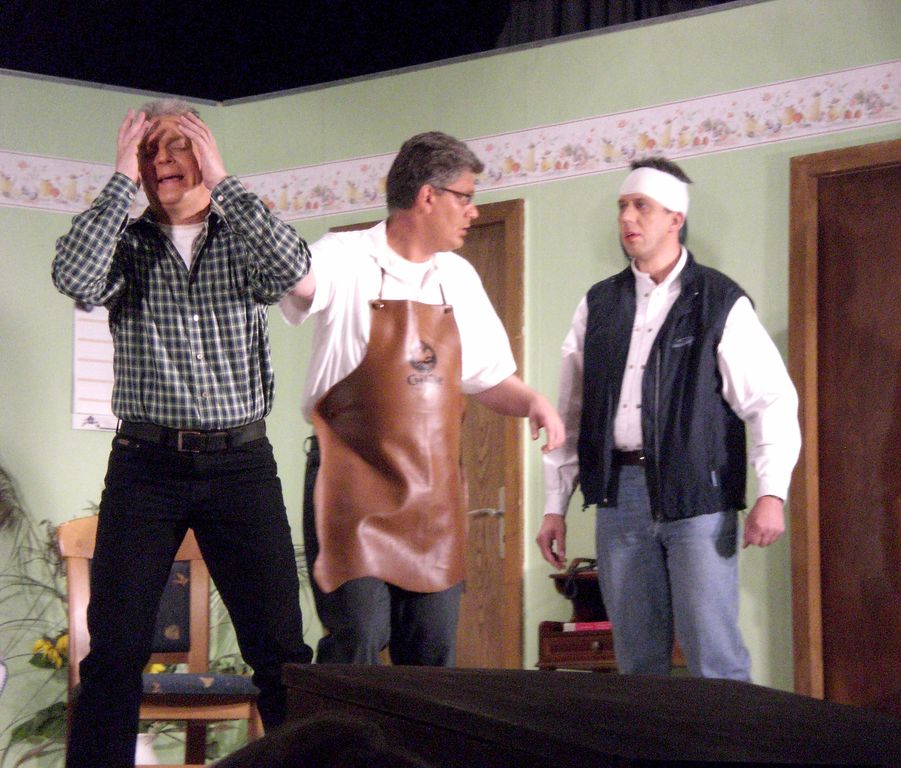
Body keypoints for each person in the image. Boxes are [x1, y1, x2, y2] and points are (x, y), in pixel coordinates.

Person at [52, 100, 313, 768]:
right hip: (145, 467)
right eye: (147, 151)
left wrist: (224, 180)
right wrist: (120, 177)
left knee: (282, 655)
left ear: (204, 152)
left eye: (176, 146)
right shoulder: (126, 243)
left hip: (240, 465)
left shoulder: (242, 235)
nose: (160, 161)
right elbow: (73, 276)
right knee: (113, 655)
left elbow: (296, 276)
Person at [281, 131, 564, 667]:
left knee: (432, 650)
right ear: (428, 196)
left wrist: (533, 402)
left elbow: (488, 376)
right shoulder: (344, 255)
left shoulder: (459, 277)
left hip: (431, 496)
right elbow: (298, 282)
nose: (473, 212)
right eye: (465, 197)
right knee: (359, 635)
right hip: (350, 485)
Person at [536, 157, 800, 680]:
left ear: (675, 218)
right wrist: (554, 505)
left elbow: (770, 400)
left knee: (713, 654)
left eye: (641, 206)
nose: (627, 218)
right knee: (637, 661)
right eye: (622, 206)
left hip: (698, 497)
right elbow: (570, 413)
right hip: (619, 499)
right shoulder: (598, 305)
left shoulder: (719, 301)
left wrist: (773, 494)